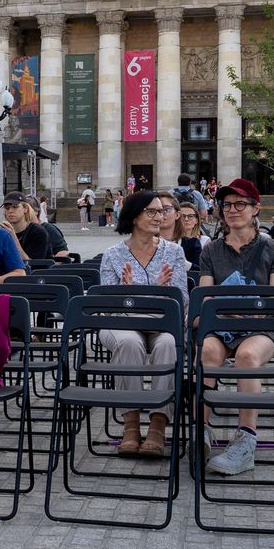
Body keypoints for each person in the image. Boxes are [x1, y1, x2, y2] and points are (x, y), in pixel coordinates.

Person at [194, 178, 274, 476]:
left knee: (247, 357)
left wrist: (246, 313)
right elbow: (204, 297)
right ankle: (202, 431)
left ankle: (246, 440)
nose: (232, 210)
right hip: (221, 323)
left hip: (263, 324)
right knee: (208, 350)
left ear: (255, 208)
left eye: (240, 204)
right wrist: (221, 314)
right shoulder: (211, 250)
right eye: (226, 205)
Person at [97, 190, 191, 455]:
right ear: (134, 216)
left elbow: (181, 297)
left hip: (162, 323)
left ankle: (158, 425)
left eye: (161, 211)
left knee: (169, 344)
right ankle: (131, 424)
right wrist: (145, 292)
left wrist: (138, 292)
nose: (158, 217)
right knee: (128, 343)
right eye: (151, 211)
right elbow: (108, 301)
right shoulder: (113, 254)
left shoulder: (173, 252)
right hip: (122, 324)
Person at [1, 191, 53, 262]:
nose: (10, 211)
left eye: (15, 207)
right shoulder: (3, 232)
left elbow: (31, 264)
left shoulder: (38, 232)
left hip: (36, 272)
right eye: (7, 208)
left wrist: (13, 237)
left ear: (25, 208)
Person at [175, 201, 206, 272]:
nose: (186, 219)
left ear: (196, 220)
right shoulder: (171, 240)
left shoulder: (203, 240)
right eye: (182, 216)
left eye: (190, 216)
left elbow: (202, 269)